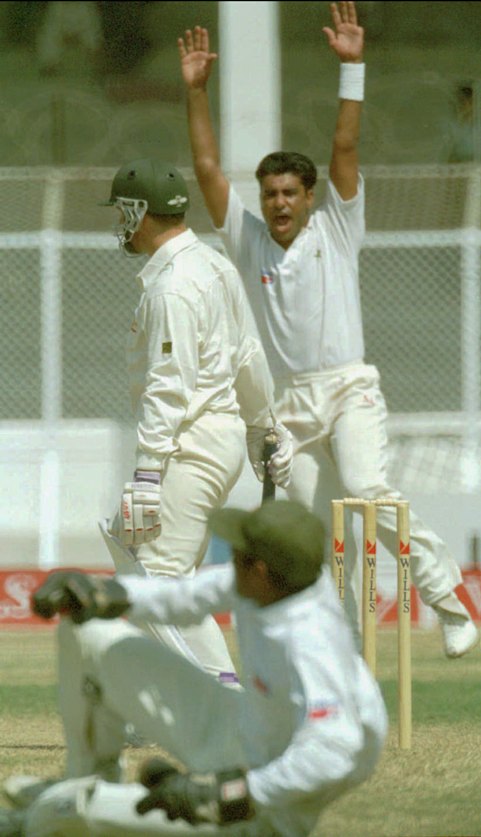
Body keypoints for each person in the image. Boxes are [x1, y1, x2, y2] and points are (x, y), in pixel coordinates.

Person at [176, 1, 479, 658]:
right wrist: (196, 91)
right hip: (290, 407)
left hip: (348, 390)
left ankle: (449, 600)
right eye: (270, 194)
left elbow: (344, 146)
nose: (279, 203)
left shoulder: (336, 228)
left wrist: (352, 68)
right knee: (313, 537)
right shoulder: (250, 242)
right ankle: (338, 646)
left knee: (368, 493)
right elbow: (206, 171)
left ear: (309, 197)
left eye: (290, 193)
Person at [1, 499, 388, 836]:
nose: (231, 555)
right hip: (240, 727)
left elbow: (334, 751)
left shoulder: (313, 642)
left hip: (265, 807)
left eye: (239, 551)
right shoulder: (277, 582)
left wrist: (229, 793)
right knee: (87, 633)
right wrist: (101, 592)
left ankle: (47, 813)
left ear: (260, 569)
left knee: (66, 812)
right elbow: (184, 596)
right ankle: (83, 780)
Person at [96, 157, 293, 683]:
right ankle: (172, 698)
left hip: (191, 443)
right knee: (139, 558)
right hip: (215, 439)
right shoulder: (213, 264)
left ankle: (225, 698)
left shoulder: (174, 286)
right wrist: (263, 427)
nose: (119, 223)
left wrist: (147, 471)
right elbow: (248, 355)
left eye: (122, 212)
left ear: (138, 212)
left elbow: (169, 386)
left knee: (158, 579)